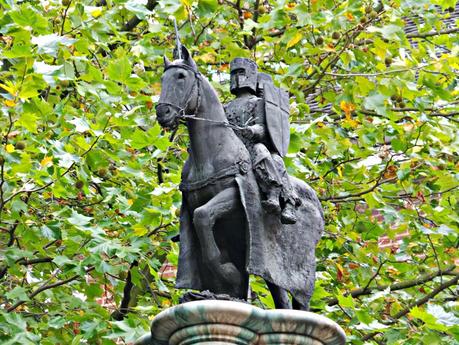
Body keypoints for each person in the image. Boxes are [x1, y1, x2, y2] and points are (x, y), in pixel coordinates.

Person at [224, 58, 298, 224]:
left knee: (263, 152)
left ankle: (277, 195)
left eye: (240, 73)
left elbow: (266, 128)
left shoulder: (257, 103)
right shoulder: (226, 107)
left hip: (251, 146)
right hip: (230, 149)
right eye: (233, 73)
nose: (236, 77)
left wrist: (252, 130)